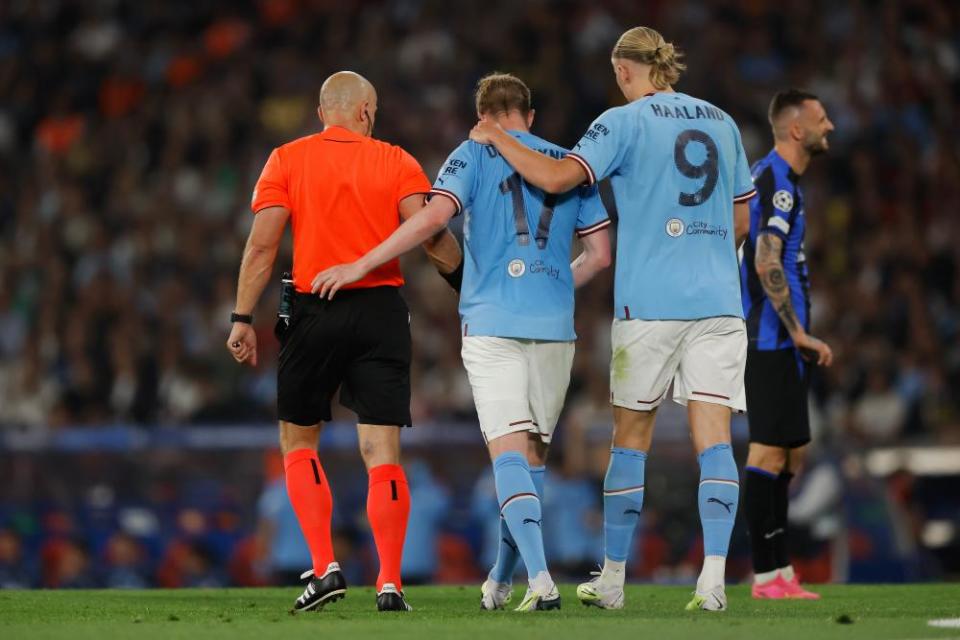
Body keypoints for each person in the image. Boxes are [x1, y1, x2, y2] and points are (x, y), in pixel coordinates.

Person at [468, 27, 756, 613]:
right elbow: (742, 221)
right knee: (715, 441)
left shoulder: (621, 122)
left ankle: (615, 579)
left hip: (648, 305)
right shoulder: (723, 122)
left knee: (631, 442)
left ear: (624, 70)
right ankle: (715, 578)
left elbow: (553, 178)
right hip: (720, 303)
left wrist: (497, 137)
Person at [311, 72, 611, 611]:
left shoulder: (470, 154)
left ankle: (540, 582)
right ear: (530, 115)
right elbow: (601, 254)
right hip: (554, 326)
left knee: (507, 453)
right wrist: (558, 282)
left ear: (482, 114)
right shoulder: (569, 163)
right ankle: (501, 579)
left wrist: (362, 263)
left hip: (492, 320)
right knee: (532, 458)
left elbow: (432, 220)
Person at [226, 70, 461, 613]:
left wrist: (242, 316)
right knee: (382, 453)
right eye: (372, 111)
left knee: (299, 442)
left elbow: (262, 247)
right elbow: (430, 235)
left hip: (314, 307)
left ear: (320, 111)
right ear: (363, 112)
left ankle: (325, 566)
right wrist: (466, 288)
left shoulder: (286, 159)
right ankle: (390, 582)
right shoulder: (396, 161)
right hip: (380, 309)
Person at [739, 89, 834, 599]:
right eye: (822, 118)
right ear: (796, 129)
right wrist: (796, 330)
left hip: (782, 339)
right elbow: (765, 258)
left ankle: (780, 571)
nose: (831, 126)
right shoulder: (776, 183)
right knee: (769, 453)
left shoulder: (777, 179)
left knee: (792, 455)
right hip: (771, 337)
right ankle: (766, 574)